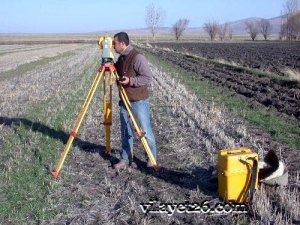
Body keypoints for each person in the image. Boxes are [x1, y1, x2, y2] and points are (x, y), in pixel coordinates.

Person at [113, 32, 157, 170]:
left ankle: (151, 158)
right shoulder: (120, 59)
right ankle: (125, 159)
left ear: (122, 43)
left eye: (114, 43)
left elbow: (147, 77)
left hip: (138, 101)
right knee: (126, 131)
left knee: (145, 131)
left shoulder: (137, 57)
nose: (113, 46)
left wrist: (130, 81)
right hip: (124, 101)